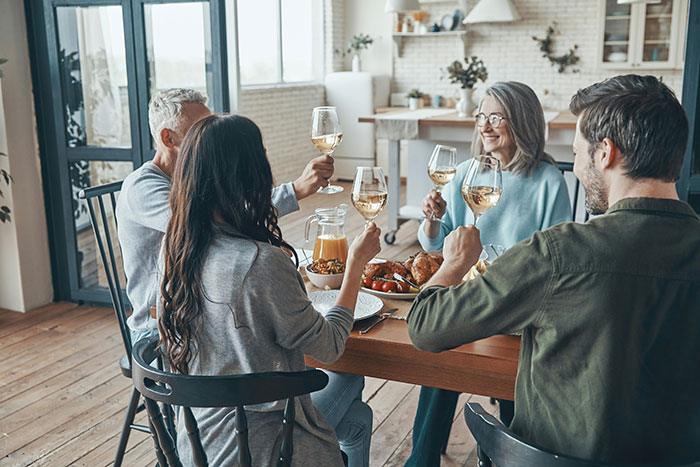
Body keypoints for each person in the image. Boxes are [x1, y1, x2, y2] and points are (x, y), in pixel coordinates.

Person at [407, 74, 700, 463]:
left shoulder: (558, 254)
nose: (576, 168)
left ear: (605, 153)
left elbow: (427, 325)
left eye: (578, 154)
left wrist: (456, 263)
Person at [116, 90, 370, 465]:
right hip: (265, 452)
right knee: (350, 378)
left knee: (357, 418)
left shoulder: (175, 252)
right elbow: (330, 346)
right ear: (251, 174)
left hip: (198, 447)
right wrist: (356, 266)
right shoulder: (260, 263)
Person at [406, 82, 572, 466]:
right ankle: (421, 459)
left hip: (519, 306)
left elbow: (557, 260)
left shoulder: (547, 182)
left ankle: (518, 452)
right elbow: (436, 247)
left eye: (497, 117)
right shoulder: (466, 172)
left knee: (516, 378)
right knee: (441, 357)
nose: (485, 124)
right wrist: (431, 219)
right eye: (482, 115)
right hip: (469, 299)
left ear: (523, 122)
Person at [116, 88, 333, 344]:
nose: (212, 139)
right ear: (168, 138)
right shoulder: (142, 188)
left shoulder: (196, 182)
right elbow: (214, 224)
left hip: (206, 313)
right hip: (162, 331)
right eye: (201, 130)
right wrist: (295, 190)